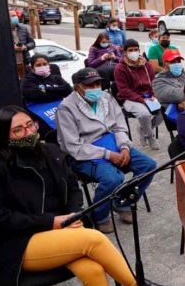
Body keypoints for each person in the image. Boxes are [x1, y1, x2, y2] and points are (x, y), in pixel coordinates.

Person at [0, 106, 176, 286]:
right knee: (94, 239)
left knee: (94, 271)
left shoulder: (51, 152)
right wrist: (50, 222)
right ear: (4, 136)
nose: (28, 132)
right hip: (17, 243)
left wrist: (74, 214)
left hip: (61, 230)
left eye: (30, 125)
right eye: (18, 130)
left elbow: (73, 189)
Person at [56, 68, 158, 232]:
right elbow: (72, 145)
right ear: (78, 87)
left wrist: (124, 147)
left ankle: (122, 203)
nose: (96, 87)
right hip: (85, 152)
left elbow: (119, 126)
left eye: (97, 83)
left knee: (149, 166)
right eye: (90, 85)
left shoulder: (106, 97)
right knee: (113, 178)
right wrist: (107, 154)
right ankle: (100, 215)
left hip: (113, 142)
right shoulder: (66, 108)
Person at [114, 39, 163, 150]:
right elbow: (124, 90)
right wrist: (142, 100)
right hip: (130, 98)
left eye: (136, 49)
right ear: (125, 52)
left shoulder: (147, 65)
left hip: (148, 96)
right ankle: (150, 137)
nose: (134, 52)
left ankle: (143, 129)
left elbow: (153, 83)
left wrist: (153, 95)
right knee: (144, 114)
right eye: (130, 50)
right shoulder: (120, 68)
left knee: (163, 111)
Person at [9, 9, 35, 79]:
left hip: (24, 63)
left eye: (15, 15)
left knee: (26, 82)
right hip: (10, 64)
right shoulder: (2, 30)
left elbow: (32, 43)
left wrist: (25, 47)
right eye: (13, 16)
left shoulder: (23, 28)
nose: (15, 17)